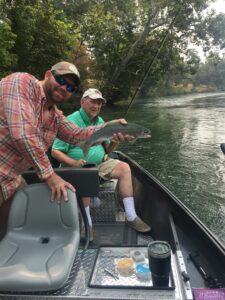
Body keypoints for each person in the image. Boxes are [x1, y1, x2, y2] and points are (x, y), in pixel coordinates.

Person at [0, 62, 132, 238]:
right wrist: (50, 176)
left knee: (10, 234)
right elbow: (23, 135)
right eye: (61, 80)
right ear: (48, 74)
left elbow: (78, 135)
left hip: (13, 180)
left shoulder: (55, 116)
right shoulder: (22, 82)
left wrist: (108, 128)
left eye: (70, 87)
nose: (64, 87)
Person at [51, 88, 151, 240]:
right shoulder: (70, 121)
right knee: (85, 175)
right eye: (92, 101)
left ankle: (131, 216)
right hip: (76, 169)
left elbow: (108, 150)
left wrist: (116, 140)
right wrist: (74, 162)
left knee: (124, 168)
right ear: (82, 101)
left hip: (100, 164)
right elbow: (55, 151)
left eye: (99, 103)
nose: (96, 106)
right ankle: (87, 224)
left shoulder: (101, 122)